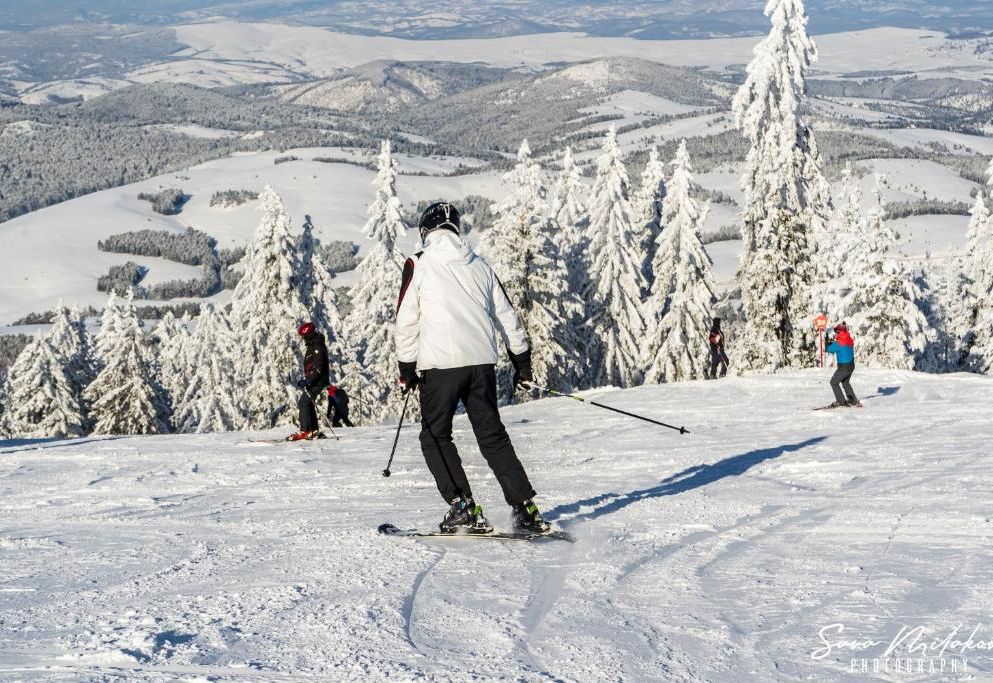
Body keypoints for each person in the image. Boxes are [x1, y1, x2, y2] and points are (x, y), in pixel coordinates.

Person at [395, 201, 549, 535]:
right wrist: (522, 363)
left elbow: (407, 319)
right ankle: (525, 509)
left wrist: (406, 369)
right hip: (481, 364)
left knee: (435, 435)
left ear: (426, 231)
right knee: (492, 436)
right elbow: (507, 316)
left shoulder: (418, 263)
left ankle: (463, 507)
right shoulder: (480, 265)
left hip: (441, 365)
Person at [287, 321, 330, 441]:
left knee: (303, 402)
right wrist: (306, 379)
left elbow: (318, 368)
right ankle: (313, 430)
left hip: (319, 381)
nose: (303, 339)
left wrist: (308, 381)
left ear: (309, 334)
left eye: (304, 336)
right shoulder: (313, 345)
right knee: (308, 402)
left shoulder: (317, 346)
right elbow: (311, 367)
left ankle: (305, 430)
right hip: (315, 380)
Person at [825, 321, 861, 408]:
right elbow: (841, 346)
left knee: (834, 382)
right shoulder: (849, 339)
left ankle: (841, 402)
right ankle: (853, 400)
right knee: (845, 382)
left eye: (836, 332)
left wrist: (827, 342)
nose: (835, 334)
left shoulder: (840, 342)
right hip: (851, 366)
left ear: (839, 332)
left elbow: (829, 349)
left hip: (843, 367)